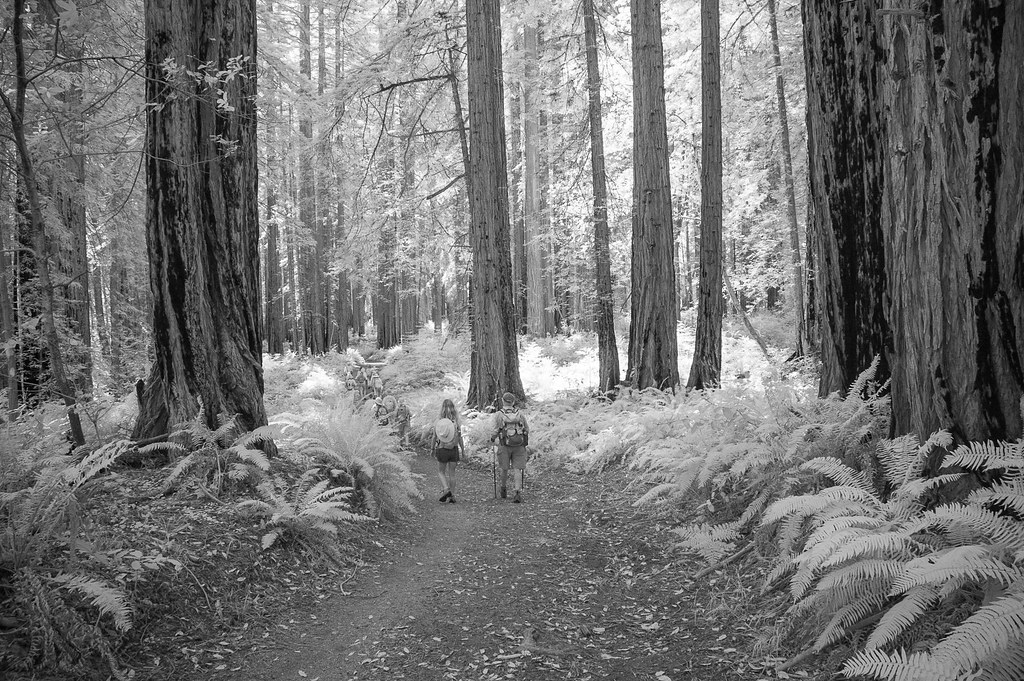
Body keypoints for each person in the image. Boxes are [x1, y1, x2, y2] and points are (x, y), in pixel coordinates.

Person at [490, 392, 529, 503]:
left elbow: (495, 430)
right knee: (517, 469)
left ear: (503, 401)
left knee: (504, 468)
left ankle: (503, 489)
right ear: (513, 402)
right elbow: (527, 429)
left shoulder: (499, 415)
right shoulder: (520, 414)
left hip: (504, 444)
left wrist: (492, 439)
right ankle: (517, 492)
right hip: (519, 445)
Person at [431, 398, 464, 503]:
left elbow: (434, 437)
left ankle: (446, 489)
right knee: (452, 473)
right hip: (453, 449)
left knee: (441, 471)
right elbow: (460, 437)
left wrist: (432, 449)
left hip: (442, 449)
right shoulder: (456, 422)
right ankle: (452, 496)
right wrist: (463, 450)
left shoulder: (439, 422)